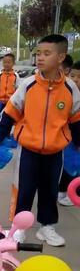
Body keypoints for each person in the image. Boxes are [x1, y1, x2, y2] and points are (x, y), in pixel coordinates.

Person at [0, 34, 80, 247]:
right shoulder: (28, 84)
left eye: (47, 53)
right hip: (28, 150)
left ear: (61, 57)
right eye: (38, 53)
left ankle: (47, 227)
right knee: (25, 188)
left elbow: (76, 119)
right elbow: (10, 112)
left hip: (55, 152)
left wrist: (77, 144)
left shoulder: (70, 89)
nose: (40, 57)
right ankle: (18, 227)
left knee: (50, 189)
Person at [57, 58, 80, 207]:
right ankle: (62, 190)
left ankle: (72, 193)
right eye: (73, 76)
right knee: (69, 165)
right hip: (70, 138)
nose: (76, 80)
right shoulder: (68, 93)